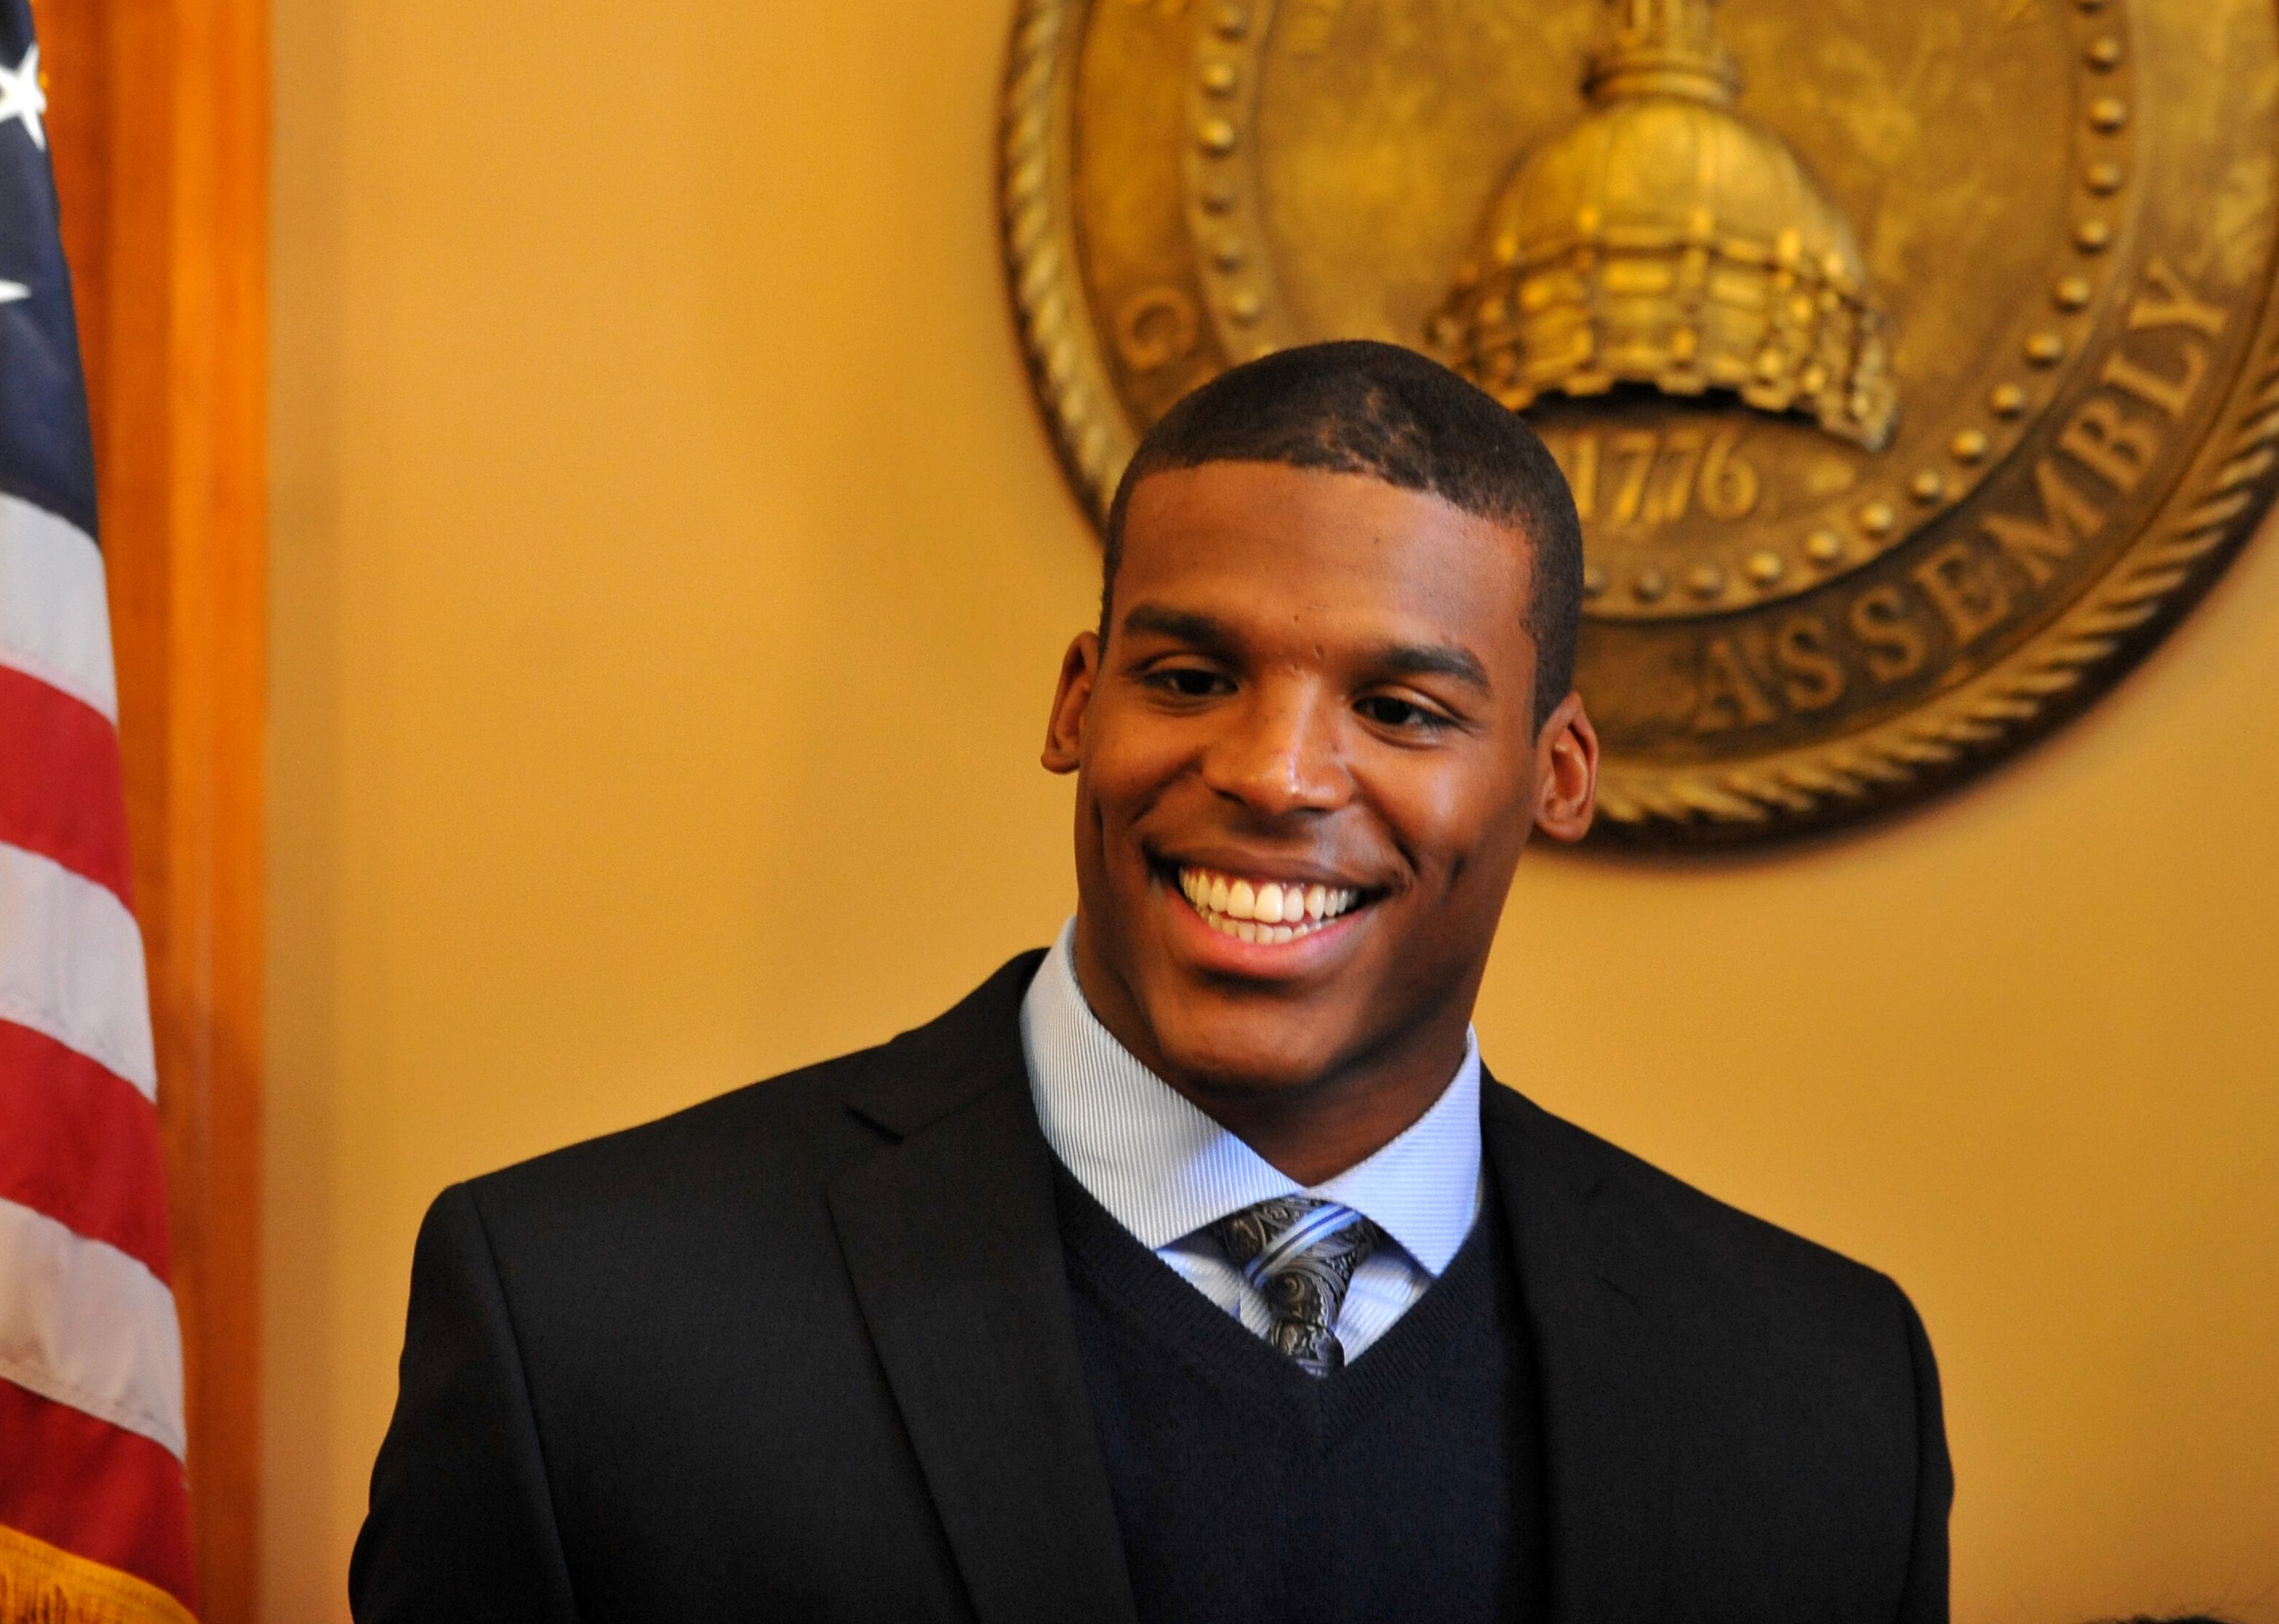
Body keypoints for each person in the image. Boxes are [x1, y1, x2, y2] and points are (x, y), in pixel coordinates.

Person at [351, 340, 1951, 1623]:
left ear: (1557, 775)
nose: (1272, 773)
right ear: (1076, 702)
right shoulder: (587, 1325)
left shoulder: (1819, 1393)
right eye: (1190, 678)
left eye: (1400, 708)